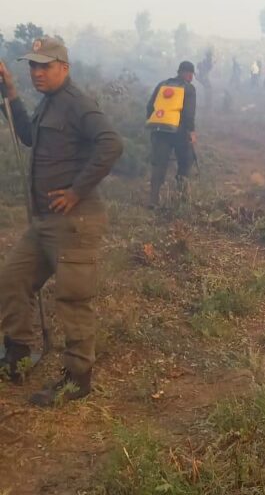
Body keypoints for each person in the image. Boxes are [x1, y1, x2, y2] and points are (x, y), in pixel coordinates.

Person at [0, 38, 123, 406]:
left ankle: (77, 379)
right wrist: (11, 92)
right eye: (32, 66)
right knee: (11, 279)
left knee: (73, 300)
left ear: (63, 68)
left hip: (74, 223)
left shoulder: (77, 104)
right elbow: (27, 136)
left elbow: (112, 144)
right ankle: (17, 354)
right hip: (44, 223)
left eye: (45, 66)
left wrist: (75, 191)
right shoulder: (49, 102)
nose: (37, 72)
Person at [146, 61, 197, 207]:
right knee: (185, 161)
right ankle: (181, 198)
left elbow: (150, 106)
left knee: (159, 165)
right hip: (179, 132)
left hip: (159, 129)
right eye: (191, 75)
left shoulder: (162, 84)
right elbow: (188, 114)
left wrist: (154, 124)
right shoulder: (189, 89)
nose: (192, 78)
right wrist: (191, 132)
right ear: (188, 74)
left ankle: (153, 200)